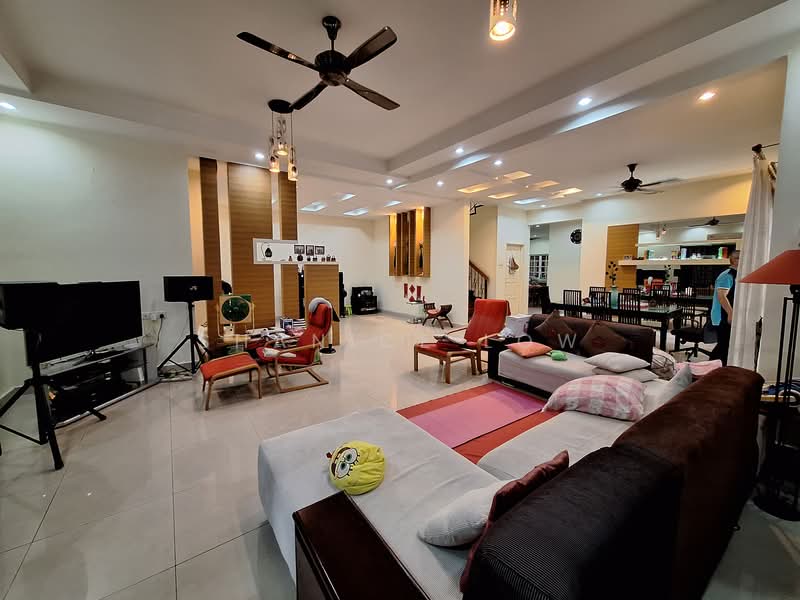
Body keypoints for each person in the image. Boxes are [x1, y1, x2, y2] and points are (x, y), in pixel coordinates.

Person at [709, 250, 739, 365]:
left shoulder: (736, 274)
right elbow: (722, 296)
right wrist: (730, 313)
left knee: (725, 345)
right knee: (724, 346)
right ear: (733, 260)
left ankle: (714, 368)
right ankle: (711, 368)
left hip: (727, 315)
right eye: (738, 258)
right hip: (722, 316)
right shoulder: (727, 275)